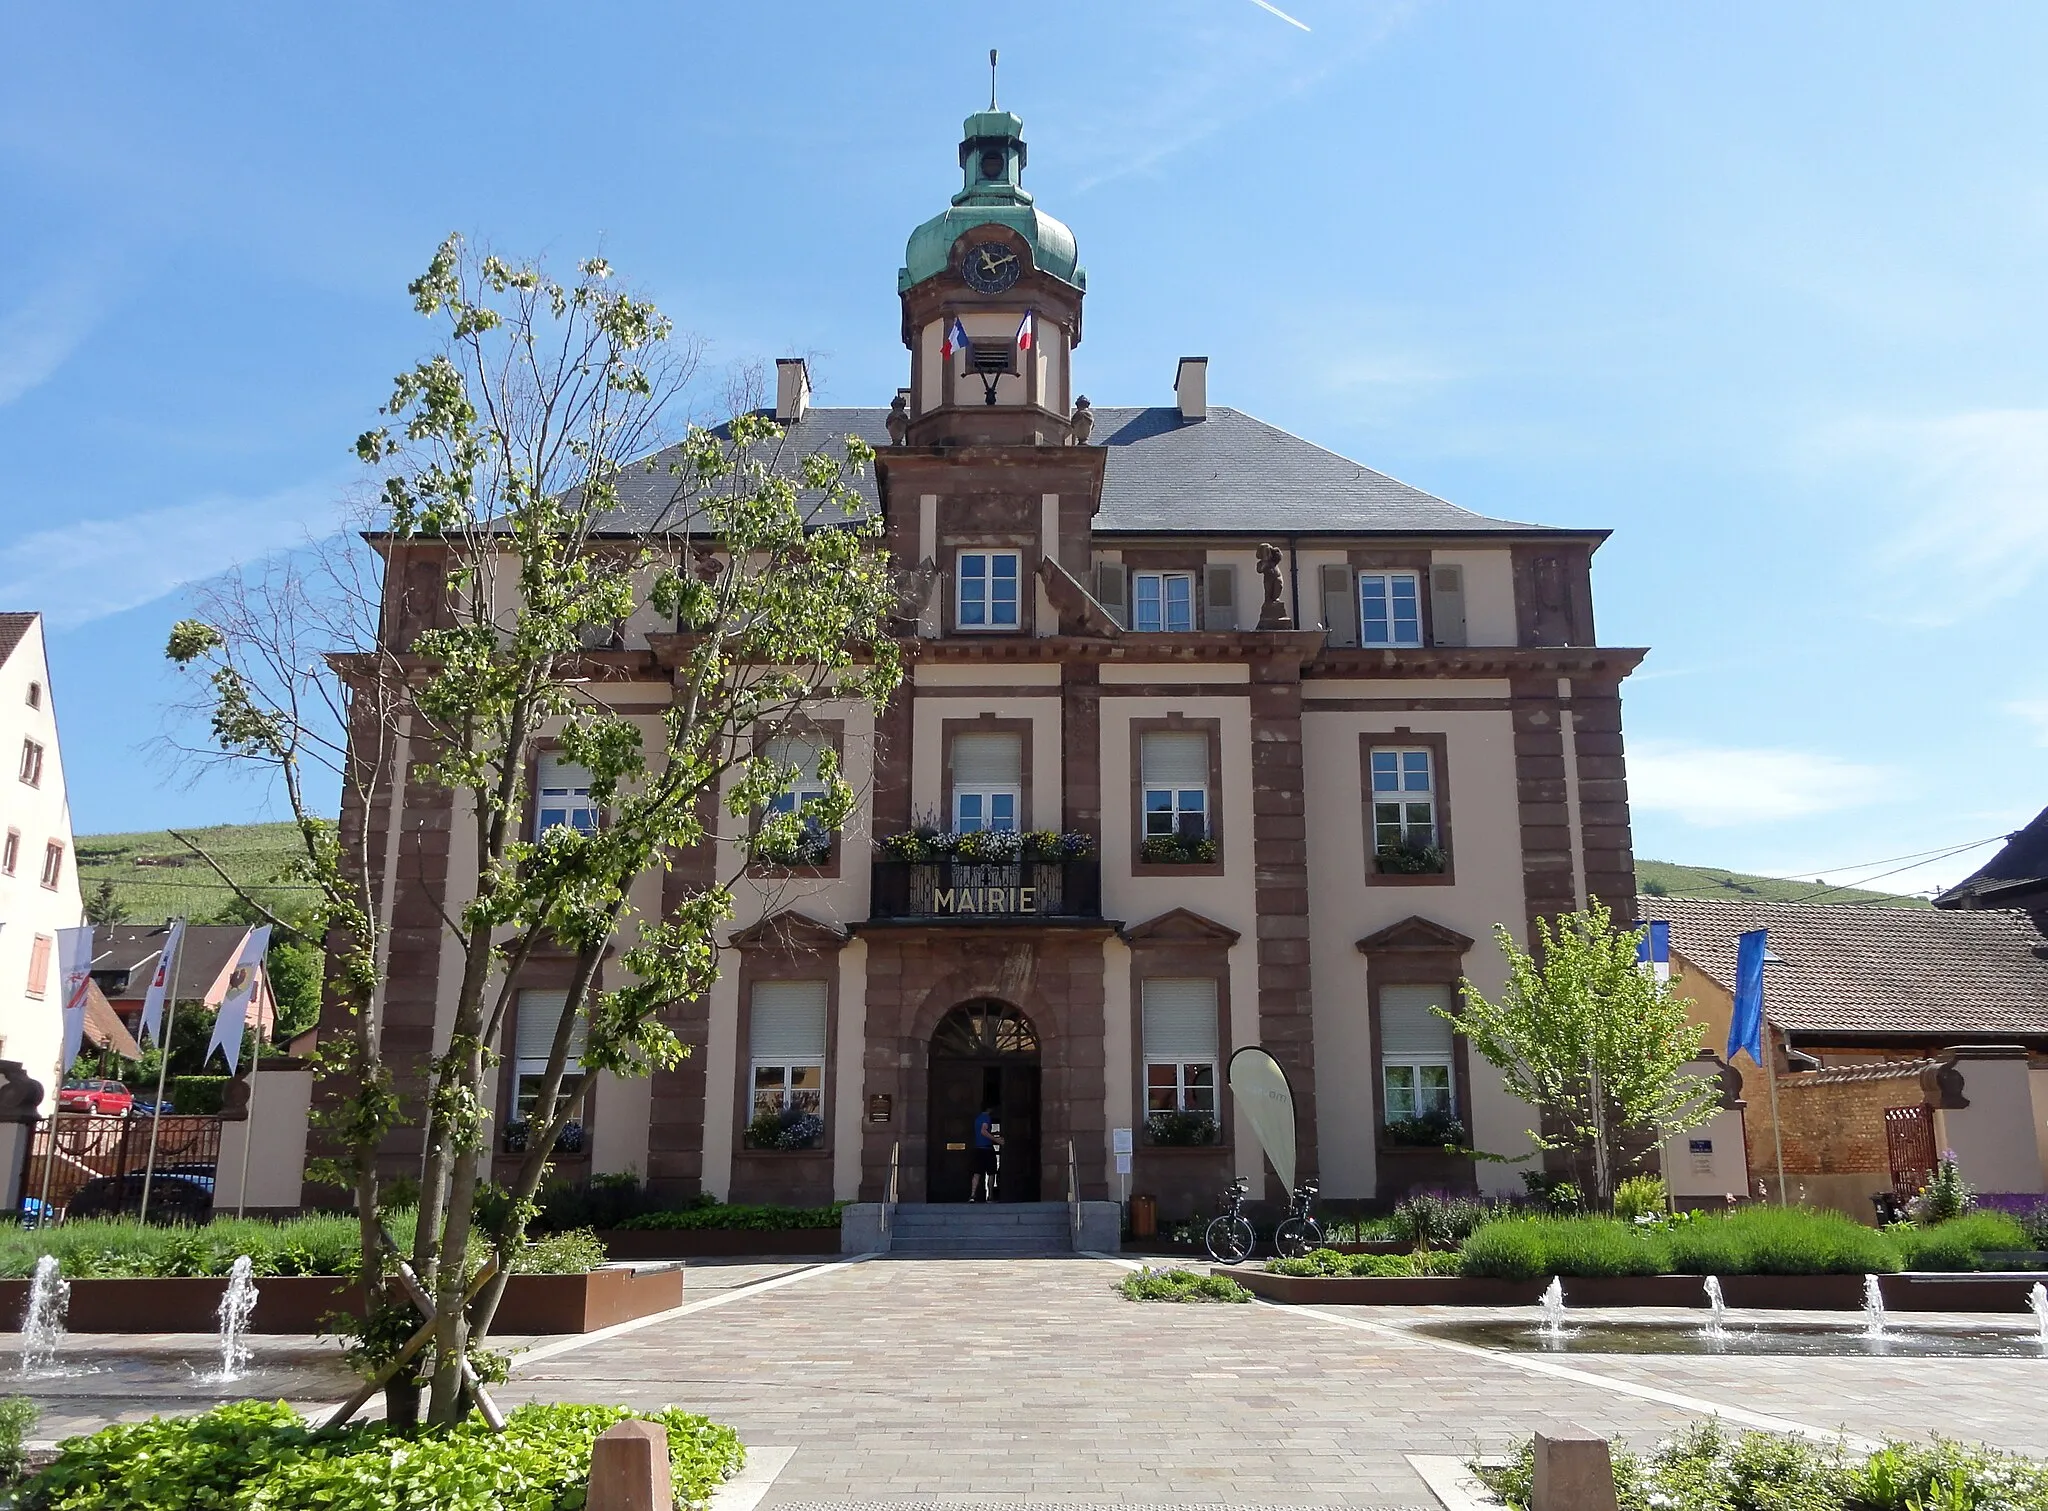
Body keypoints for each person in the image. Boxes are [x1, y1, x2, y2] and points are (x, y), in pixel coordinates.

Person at [971, 1105, 1000, 1202]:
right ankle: (990, 1195)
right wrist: (996, 1140)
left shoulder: (977, 1118)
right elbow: (984, 1131)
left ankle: (973, 1195)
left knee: (977, 1173)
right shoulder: (987, 1118)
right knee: (991, 1172)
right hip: (987, 1149)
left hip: (978, 1149)